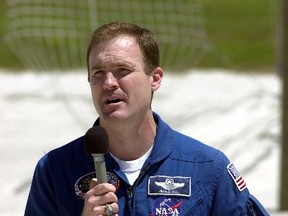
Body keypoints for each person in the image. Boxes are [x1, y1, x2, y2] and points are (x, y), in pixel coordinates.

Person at [24, 22, 269, 216]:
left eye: (123, 71)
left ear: (155, 78)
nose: (109, 83)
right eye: (98, 73)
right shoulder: (55, 170)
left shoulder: (208, 168)